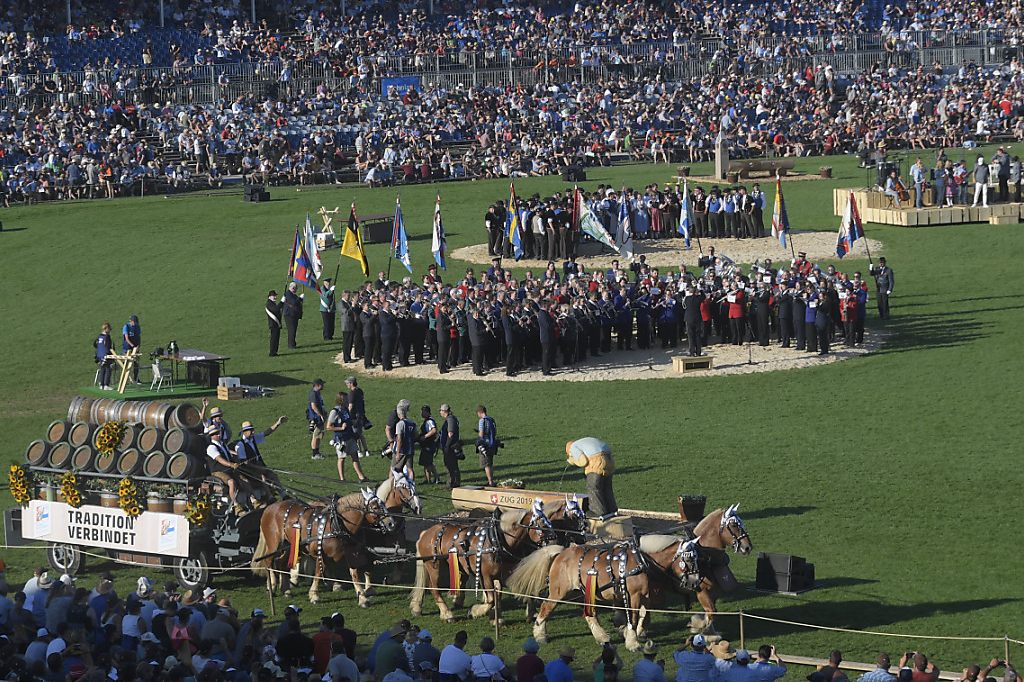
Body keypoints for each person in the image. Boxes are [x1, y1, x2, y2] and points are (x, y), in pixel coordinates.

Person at [234, 416, 288, 500]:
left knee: (273, 475)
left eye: (252, 430)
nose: (253, 432)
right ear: (244, 432)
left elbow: (266, 433)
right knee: (262, 477)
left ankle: (283, 495)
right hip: (249, 470)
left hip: (259, 466)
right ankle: (270, 497)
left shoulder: (253, 438)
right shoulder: (240, 445)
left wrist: (278, 423)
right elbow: (245, 463)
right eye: (250, 430)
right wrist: (258, 467)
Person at [565, 438, 617, 517]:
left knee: (593, 487)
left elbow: (583, 461)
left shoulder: (574, 447)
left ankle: (597, 511)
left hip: (597, 462)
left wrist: (572, 461)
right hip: (609, 460)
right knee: (606, 487)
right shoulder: (582, 442)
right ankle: (611, 509)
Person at [326, 392, 369, 483]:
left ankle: (361, 477)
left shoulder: (345, 409)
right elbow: (329, 427)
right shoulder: (334, 412)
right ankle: (342, 478)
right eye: (346, 399)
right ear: (341, 400)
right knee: (342, 458)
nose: (348, 400)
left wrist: (356, 421)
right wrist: (340, 428)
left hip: (350, 437)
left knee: (355, 456)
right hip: (341, 439)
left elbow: (349, 421)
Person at [205, 424, 243, 514]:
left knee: (243, 478)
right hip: (217, 471)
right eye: (215, 433)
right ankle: (236, 505)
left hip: (227, 469)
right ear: (211, 436)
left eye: (218, 432)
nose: (218, 434)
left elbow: (229, 455)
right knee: (231, 482)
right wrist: (231, 464)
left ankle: (254, 500)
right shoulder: (211, 448)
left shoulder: (223, 445)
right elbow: (220, 459)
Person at [346, 376, 371, 459]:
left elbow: (350, 406)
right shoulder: (360, 391)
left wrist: (347, 415)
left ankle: (359, 451)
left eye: (347, 383)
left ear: (351, 383)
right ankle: (366, 450)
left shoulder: (351, 393)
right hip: (361, 415)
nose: (347, 385)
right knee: (360, 434)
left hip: (354, 416)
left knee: (356, 434)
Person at [439, 404, 462, 489]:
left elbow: (450, 433)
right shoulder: (450, 419)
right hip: (450, 446)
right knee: (451, 465)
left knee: (451, 465)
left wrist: (447, 446)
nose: (440, 412)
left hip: (450, 447)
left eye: (441, 410)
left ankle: (453, 483)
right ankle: (452, 482)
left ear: (445, 411)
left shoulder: (450, 419)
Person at [392, 401, 417, 476]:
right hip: (410, 449)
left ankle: (392, 485)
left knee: (393, 469)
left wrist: (398, 453)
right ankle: (412, 483)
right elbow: (416, 435)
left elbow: (399, 439)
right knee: (410, 469)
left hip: (402, 450)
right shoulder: (412, 423)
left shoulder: (400, 424)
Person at [475, 406, 498, 487]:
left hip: (485, 445)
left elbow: (481, 434)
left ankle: (490, 482)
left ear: (479, 412)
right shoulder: (491, 419)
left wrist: (479, 439)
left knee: (486, 464)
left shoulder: (482, 421)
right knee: (490, 463)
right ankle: (491, 480)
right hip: (492, 444)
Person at [419, 406, 440, 484]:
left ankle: (429, 480)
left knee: (427, 463)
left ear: (427, 412)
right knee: (428, 463)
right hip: (429, 445)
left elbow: (434, 430)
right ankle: (435, 478)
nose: (422, 413)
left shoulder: (429, 421)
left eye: (423, 412)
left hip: (428, 445)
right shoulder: (428, 420)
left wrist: (425, 436)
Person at [307, 378, 326, 460]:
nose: (323, 386)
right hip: (316, 418)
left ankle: (317, 452)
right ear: (317, 385)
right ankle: (315, 454)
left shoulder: (317, 393)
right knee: (316, 435)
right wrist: (320, 415)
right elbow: (313, 406)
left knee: (319, 435)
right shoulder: (314, 394)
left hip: (318, 417)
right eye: (322, 384)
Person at [94, 322, 114, 390]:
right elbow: (108, 347)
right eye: (109, 329)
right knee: (108, 369)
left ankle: (101, 384)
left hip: (100, 355)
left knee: (102, 369)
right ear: (106, 328)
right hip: (106, 355)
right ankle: (106, 385)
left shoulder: (99, 336)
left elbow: (96, 345)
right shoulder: (107, 337)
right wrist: (110, 355)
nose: (110, 330)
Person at [121, 314, 142, 383]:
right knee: (126, 363)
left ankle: (136, 378)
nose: (135, 323)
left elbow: (139, 337)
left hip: (135, 347)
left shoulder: (137, 327)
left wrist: (138, 346)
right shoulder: (126, 326)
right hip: (127, 348)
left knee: (136, 363)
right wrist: (132, 345)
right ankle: (126, 379)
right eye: (134, 322)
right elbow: (126, 338)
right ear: (131, 321)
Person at [284, 282, 304, 349]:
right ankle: (291, 345)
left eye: (295, 287)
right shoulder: (288, 294)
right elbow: (294, 303)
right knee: (291, 330)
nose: (293, 288)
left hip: (294, 315)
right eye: (292, 287)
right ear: (289, 287)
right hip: (289, 315)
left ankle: (293, 343)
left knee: (294, 330)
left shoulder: (294, 295)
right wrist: (300, 298)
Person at [266, 290, 283, 357]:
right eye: (274, 296)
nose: (275, 297)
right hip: (273, 324)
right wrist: (282, 302)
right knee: (274, 339)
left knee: (276, 339)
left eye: (275, 296)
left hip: (276, 324)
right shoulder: (269, 304)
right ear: (269, 297)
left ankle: (275, 352)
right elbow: (276, 309)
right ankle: (272, 352)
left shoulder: (272, 303)